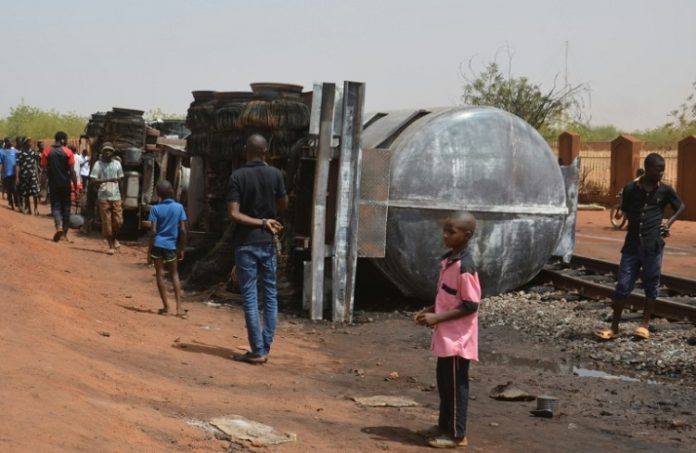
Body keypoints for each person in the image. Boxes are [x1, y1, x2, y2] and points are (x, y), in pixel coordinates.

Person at [596, 153, 685, 341]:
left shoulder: (665, 191)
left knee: (651, 284)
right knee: (623, 284)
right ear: (647, 168)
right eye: (657, 169)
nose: (661, 173)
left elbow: (680, 206)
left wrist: (667, 224)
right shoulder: (630, 189)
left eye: (663, 170)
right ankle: (614, 326)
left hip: (653, 246)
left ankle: (644, 325)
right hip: (631, 246)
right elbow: (626, 210)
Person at [414, 212, 481, 449]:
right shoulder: (449, 261)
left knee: (455, 386)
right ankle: (444, 426)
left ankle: (457, 434)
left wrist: (438, 317)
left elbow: (471, 304)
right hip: (446, 335)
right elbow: (447, 296)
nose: (445, 235)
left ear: (466, 235)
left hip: (457, 339)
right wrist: (430, 310)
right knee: (444, 383)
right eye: (444, 230)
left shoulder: (465, 266)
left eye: (451, 232)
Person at [227, 134, 288, 365]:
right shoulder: (276, 174)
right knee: (270, 294)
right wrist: (267, 220)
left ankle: (258, 350)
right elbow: (283, 205)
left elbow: (233, 214)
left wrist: (260, 221)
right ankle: (265, 346)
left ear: (246, 150)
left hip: (245, 243)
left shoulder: (237, 176)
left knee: (251, 297)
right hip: (267, 241)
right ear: (266, 151)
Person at [147, 180, 188, 318]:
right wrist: (181, 247)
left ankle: (166, 307)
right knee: (174, 274)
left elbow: (152, 232)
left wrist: (149, 251)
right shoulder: (179, 208)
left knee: (160, 274)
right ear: (171, 191)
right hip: (171, 246)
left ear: (158, 194)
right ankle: (179, 308)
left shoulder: (156, 209)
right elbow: (182, 230)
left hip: (158, 245)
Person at [40, 131, 77, 242]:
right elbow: (72, 171)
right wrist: (75, 185)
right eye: (66, 139)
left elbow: (44, 171)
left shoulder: (46, 151)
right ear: (62, 140)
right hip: (65, 185)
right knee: (66, 208)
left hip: (53, 184)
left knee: (55, 206)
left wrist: (42, 186)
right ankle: (64, 235)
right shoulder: (68, 152)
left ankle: (58, 226)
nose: (66, 142)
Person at [90, 143, 124, 254]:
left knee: (118, 221)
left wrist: (122, 196)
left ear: (113, 153)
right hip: (103, 196)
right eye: (105, 151)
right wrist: (107, 180)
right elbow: (93, 180)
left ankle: (114, 239)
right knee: (107, 221)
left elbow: (121, 180)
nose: (108, 153)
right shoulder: (98, 164)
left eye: (110, 151)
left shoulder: (117, 164)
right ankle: (110, 245)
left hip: (116, 195)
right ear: (102, 152)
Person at [16, 137, 41, 215]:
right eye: (28, 141)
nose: (30, 143)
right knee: (26, 193)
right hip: (24, 175)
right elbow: (18, 165)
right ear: (25, 143)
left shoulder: (34, 153)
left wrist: (37, 176)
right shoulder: (21, 153)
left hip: (33, 175)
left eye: (30, 141)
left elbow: (36, 164)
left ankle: (36, 209)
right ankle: (29, 209)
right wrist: (17, 177)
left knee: (35, 193)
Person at [0, 137, 20, 210]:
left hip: (14, 173)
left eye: (11, 141)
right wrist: (0, 173)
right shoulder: (1, 151)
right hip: (6, 173)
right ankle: (11, 203)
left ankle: (17, 203)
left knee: (14, 188)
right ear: (6, 142)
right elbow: (1, 163)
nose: (11, 143)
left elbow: (20, 153)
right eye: (9, 141)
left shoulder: (14, 150)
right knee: (8, 189)